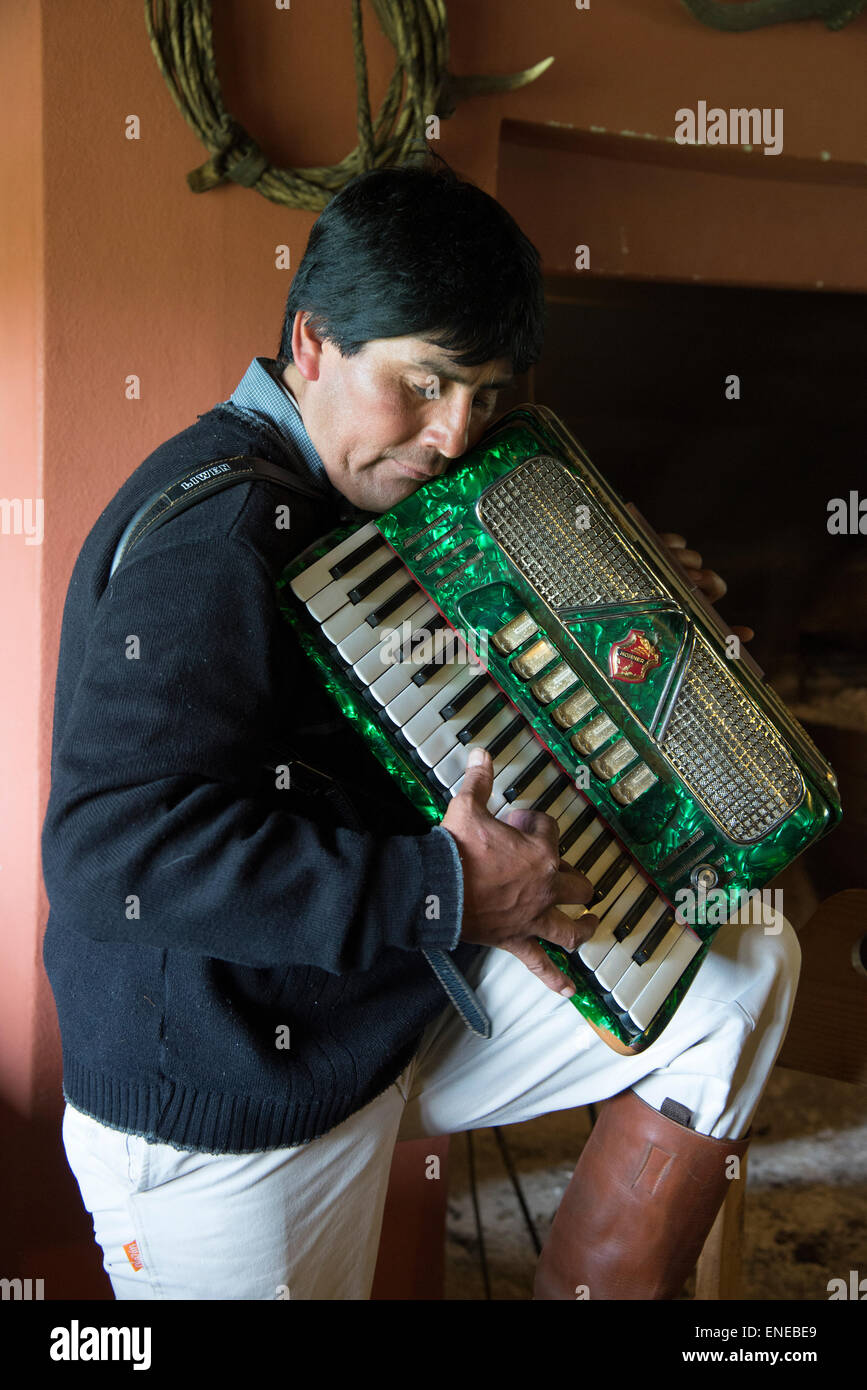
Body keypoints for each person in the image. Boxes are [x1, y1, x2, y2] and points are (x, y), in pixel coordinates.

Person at [42, 159, 799, 1301]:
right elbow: (109, 859)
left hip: (370, 1010)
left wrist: (617, 608)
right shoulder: (218, 544)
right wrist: (447, 889)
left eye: (488, 394)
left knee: (736, 962)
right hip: (225, 1105)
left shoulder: (366, 501)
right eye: (426, 383)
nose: (456, 434)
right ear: (312, 346)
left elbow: (414, 701)